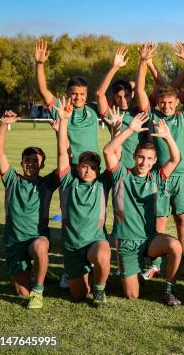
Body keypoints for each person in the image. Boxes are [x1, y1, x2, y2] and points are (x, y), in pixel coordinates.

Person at [135, 42, 184, 280]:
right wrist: (144, 62)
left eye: (171, 103)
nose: (166, 106)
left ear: (177, 103)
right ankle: (153, 264)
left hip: (182, 175)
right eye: (163, 103)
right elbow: (141, 90)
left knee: (183, 219)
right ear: (158, 103)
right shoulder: (151, 116)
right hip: (160, 176)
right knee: (159, 221)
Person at [103, 112, 184, 306]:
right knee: (132, 295)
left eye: (149, 159)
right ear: (134, 156)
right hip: (126, 242)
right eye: (141, 157)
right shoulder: (121, 174)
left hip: (150, 239)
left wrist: (167, 136)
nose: (144, 162)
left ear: (155, 161)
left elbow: (175, 159)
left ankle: (169, 289)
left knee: (175, 246)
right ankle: (134, 267)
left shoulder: (155, 177)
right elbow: (108, 151)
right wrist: (130, 129)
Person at [0, 110, 58, 309]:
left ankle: (38, 292)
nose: (31, 164)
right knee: (22, 292)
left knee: (40, 246)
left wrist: (58, 131)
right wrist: (4, 124)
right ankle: (42, 270)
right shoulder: (12, 180)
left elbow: (67, 158)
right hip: (14, 242)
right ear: (21, 163)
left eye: (36, 161)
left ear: (42, 165)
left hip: (35, 239)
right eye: (27, 160)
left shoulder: (47, 183)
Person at [54, 98, 111, 307]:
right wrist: (63, 122)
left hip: (94, 242)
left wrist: (115, 129)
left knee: (103, 254)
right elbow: (62, 152)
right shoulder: (68, 181)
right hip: (72, 247)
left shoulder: (103, 183)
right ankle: (84, 273)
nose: (88, 171)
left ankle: (99, 290)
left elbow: (114, 155)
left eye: (93, 167)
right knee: (78, 295)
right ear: (77, 167)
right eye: (84, 166)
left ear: (98, 170)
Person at [35, 39, 100, 165]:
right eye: (74, 93)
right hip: (73, 167)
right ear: (68, 93)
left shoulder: (93, 108)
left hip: (95, 168)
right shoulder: (61, 109)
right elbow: (43, 91)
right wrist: (39, 64)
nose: (78, 97)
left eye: (82, 94)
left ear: (86, 94)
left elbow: (103, 95)